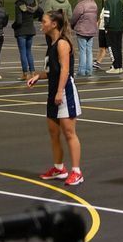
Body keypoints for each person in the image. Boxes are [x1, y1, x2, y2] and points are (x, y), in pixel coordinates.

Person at [30, 10, 85, 186]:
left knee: (69, 133)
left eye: (44, 21)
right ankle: (59, 168)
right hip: (53, 91)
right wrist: (39, 76)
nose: (41, 24)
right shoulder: (51, 42)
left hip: (65, 91)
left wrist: (60, 91)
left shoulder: (62, 44)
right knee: (54, 132)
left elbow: (65, 70)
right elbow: (52, 71)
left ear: (54, 24)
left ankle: (77, 172)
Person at [70, 0, 99, 79]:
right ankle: (89, 70)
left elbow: (74, 17)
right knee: (89, 51)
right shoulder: (94, 4)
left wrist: (71, 25)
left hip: (82, 30)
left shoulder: (81, 5)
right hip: (92, 30)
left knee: (82, 51)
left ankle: (81, 71)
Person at [99, 0, 123, 73]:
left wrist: (106, 27)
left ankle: (115, 67)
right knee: (119, 47)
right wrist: (122, 25)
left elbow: (106, 16)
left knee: (112, 47)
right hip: (120, 28)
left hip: (111, 28)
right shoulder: (120, 0)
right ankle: (120, 67)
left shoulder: (107, 1)